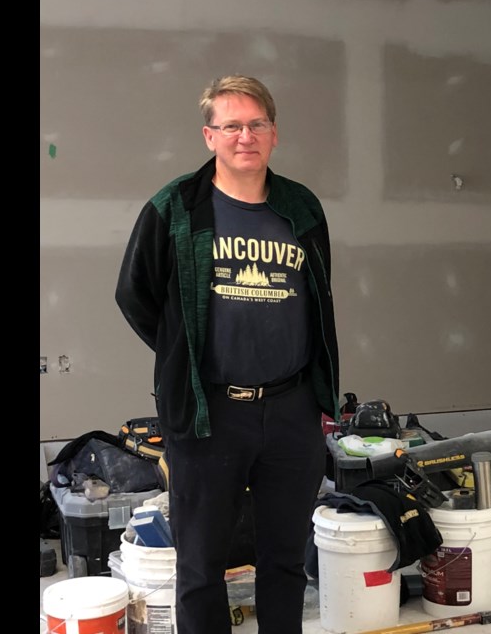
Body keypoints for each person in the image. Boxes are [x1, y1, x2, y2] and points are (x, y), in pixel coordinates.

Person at [115, 74, 340, 634]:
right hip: (208, 410)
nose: (246, 136)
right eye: (231, 125)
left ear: (274, 134)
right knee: (200, 567)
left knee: (285, 561)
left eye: (256, 124)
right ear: (209, 136)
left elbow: (317, 301)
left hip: (290, 410)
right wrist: (180, 358)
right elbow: (135, 293)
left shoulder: (301, 208)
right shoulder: (176, 208)